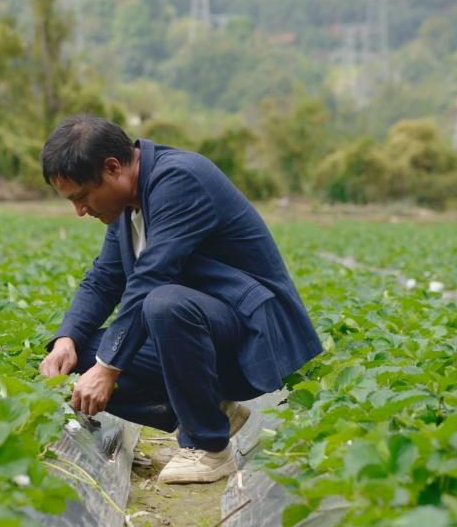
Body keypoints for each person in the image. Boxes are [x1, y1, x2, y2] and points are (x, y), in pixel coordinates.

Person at [38, 114, 322, 484]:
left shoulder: (179, 180)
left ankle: (209, 448)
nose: (79, 211)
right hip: (197, 333)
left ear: (113, 168)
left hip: (248, 335)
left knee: (162, 303)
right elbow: (104, 280)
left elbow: (150, 278)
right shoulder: (127, 207)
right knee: (75, 362)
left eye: (81, 197)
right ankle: (213, 411)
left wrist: (108, 369)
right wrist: (67, 340)